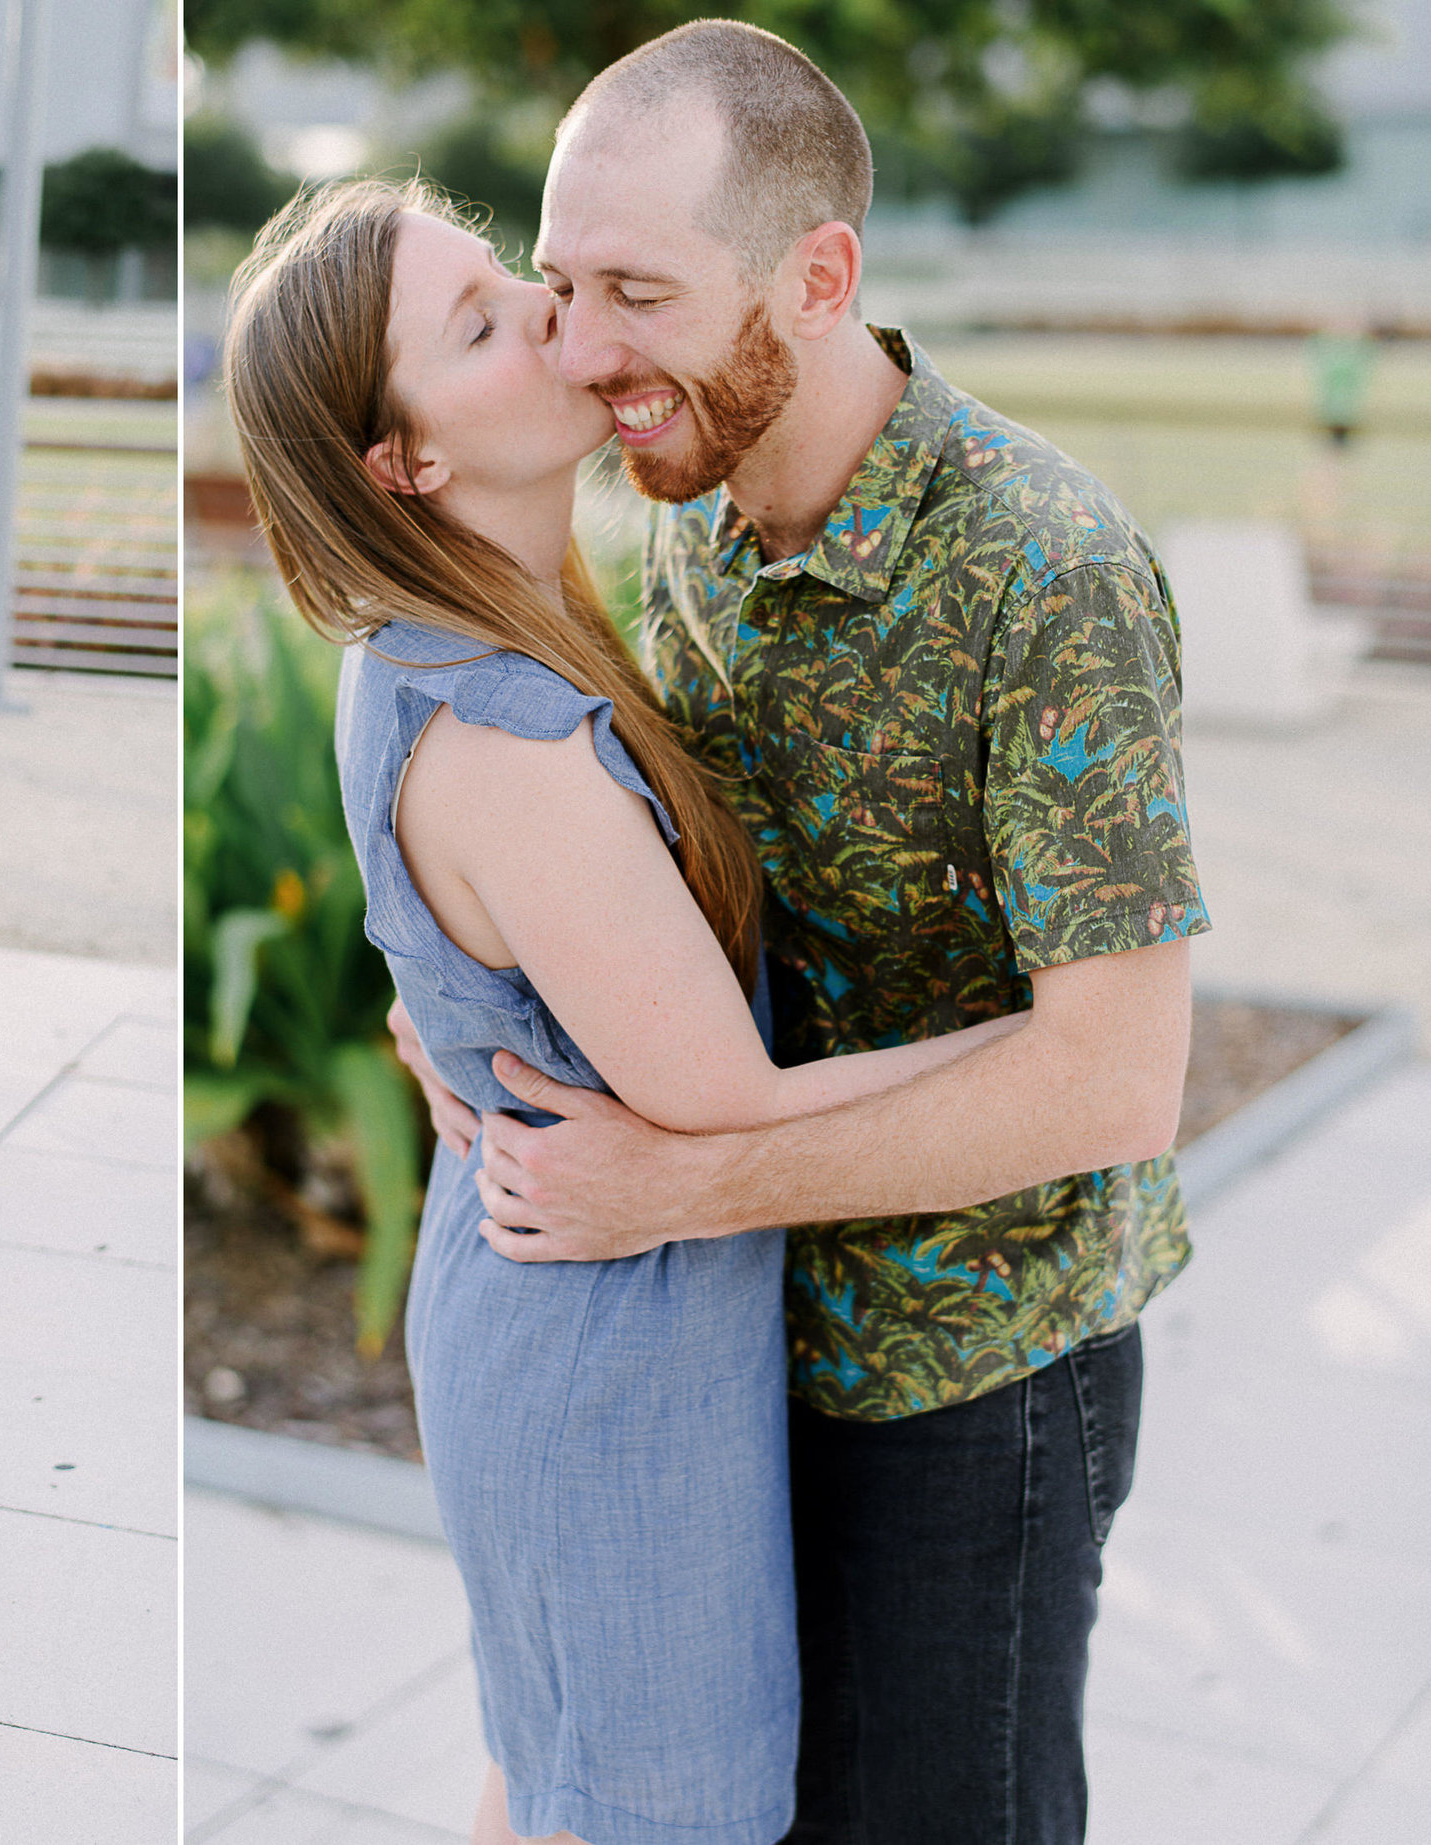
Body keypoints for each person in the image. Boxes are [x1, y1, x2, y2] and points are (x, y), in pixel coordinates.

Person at [386, 23, 1206, 1843]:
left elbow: (1122, 1081)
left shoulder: (1044, 573)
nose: (587, 350)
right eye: (558, 284)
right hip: (724, 1358)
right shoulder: (674, 518)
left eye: (640, 294)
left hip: (973, 1381)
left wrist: (670, 1189)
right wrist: (438, 1012)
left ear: (817, 281)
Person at [226, 177, 1034, 1845]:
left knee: (559, 1781)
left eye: (508, 278)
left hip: (556, 1288)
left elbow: (460, 946)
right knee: (650, 1802)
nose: (547, 314)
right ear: (407, 464)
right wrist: (1039, 1045)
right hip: (606, 1344)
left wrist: (433, 1020)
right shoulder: (509, 732)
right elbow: (722, 1101)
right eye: (478, 326)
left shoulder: (454, 639)